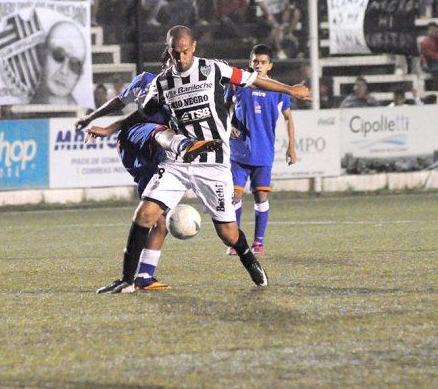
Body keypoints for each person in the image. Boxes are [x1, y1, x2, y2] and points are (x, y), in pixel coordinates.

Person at [88, 25, 310, 293]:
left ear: (192, 47)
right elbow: (141, 114)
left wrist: (289, 90)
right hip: (178, 161)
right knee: (144, 215)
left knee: (228, 234)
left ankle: (247, 255)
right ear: (168, 50)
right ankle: (127, 280)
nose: (180, 58)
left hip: (213, 163)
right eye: (174, 52)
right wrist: (110, 128)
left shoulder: (214, 69)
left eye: (184, 51)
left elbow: (252, 79)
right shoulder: (161, 83)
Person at [76, 54, 223, 292]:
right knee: (158, 131)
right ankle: (182, 146)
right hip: (138, 137)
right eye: (170, 63)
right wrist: (91, 118)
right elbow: (119, 102)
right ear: (164, 64)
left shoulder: (184, 89)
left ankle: (143, 276)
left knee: (158, 219)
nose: (174, 67)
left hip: (155, 154)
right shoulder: (147, 80)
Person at [225, 44, 298, 257]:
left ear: (270, 66)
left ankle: (258, 242)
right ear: (250, 63)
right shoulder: (238, 85)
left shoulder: (277, 89)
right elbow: (222, 108)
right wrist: (228, 126)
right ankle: (236, 243)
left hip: (263, 151)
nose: (258, 65)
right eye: (255, 61)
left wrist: (291, 147)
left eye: (263, 62)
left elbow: (288, 117)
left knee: (261, 196)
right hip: (238, 151)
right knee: (235, 194)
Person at [31, 20, 86, 105]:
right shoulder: (23, 107)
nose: (64, 71)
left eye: (74, 65)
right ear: (42, 56)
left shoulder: (82, 112)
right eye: (58, 56)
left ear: (80, 75)